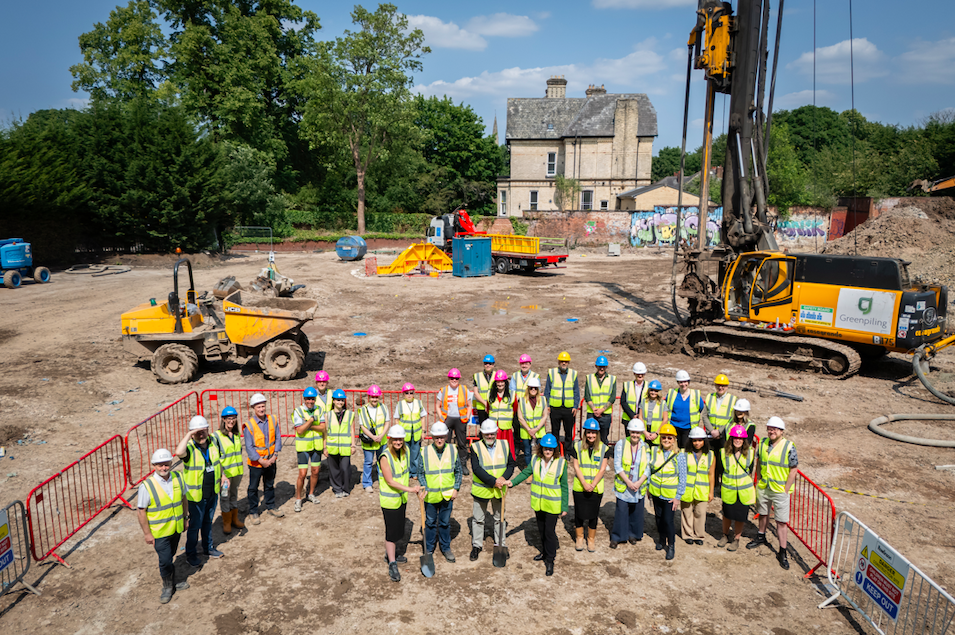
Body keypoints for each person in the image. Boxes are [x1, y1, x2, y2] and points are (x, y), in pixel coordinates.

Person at [506, 433, 568, 576]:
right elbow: (525, 473)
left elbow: (564, 486)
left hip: (552, 505)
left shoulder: (561, 463)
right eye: (546, 448)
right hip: (539, 503)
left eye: (551, 449)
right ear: (541, 449)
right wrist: (512, 483)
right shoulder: (535, 460)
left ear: (555, 450)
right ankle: (544, 553)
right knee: (541, 530)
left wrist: (564, 507)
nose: (548, 451)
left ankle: (550, 560)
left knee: (549, 532)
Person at [137, 448, 189, 604]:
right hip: (159, 532)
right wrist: (147, 534)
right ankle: (167, 586)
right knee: (165, 560)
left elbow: (184, 499)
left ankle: (172, 580)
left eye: (166, 464)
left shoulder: (178, 477)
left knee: (171, 554)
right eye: (160, 465)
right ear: (153, 465)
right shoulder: (147, 486)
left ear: (170, 463)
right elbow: (141, 512)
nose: (163, 468)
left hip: (176, 527)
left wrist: (186, 518)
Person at [747, 417, 798, 570]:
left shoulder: (789, 446)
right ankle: (761, 536)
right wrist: (757, 480)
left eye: (775, 429)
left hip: (780, 490)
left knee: (781, 522)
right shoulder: (762, 443)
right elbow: (759, 462)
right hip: (764, 486)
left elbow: (793, 469)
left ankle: (782, 551)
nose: (772, 431)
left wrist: (785, 488)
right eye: (770, 428)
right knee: (763, 513)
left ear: (781, 431)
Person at [175, 415, 224, 566]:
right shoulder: (189, 448)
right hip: (196, 497)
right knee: (195, 527)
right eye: (197, 432)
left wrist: (223, 476)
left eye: (203, 431)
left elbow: (218, 462)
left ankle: (208, 548)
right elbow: (178, 452)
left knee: (208, 522)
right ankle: (191, 554)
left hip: (212, 492)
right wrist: (189, 434)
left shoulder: (213, 442)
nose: (201, 434)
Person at [469, 420, 517, 562]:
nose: (490, 436)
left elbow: (511, 464)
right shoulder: (475, 447)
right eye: (487, 434)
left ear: (496, 432)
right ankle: (476, 545)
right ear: (482, 434)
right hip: (482, 489)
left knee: (499, 518)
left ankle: (500, 543)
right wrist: (493, 481)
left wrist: (503, 478)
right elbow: (476, 469)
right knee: (478, 519)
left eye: (492, 433)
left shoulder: (504, 444)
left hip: (499, 490)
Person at [379, 425, 420, 582]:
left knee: (398, 529)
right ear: (390, 439)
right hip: (389, 500)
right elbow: (390, 480)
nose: (398, 442)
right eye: (395, 439)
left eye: (400, 439)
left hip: (401, 498)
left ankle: (391, 555)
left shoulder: (406, 451)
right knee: (391, 532)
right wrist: (410, 489)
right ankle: (392, 562)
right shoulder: (385, 457)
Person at [417, 421, 462, 562]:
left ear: (446, 436)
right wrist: (424, 488)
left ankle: (446, 548)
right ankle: (429, 548)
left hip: (447, 495)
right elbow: (420, 473)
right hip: (430, 495)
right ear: (432, 438)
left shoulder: (453, 450)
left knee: (444, 523)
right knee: (430, 523)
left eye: (442, 437)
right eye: (437, 437)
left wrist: (456, 488)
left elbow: (458, 471)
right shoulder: (424, 452)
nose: (440, 440)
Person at [570, 418, 611, 552]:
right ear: (585, 433)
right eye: (588, 432)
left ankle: (591, 539)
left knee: (594, 514)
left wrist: (592, 485)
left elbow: (602, 469)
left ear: (597, 433)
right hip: (580, 486)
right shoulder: (577, 446)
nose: (591, 435)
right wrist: (584, 483)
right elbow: (576, 466)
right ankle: (580, 538)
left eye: (593, 433)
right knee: (579, 513)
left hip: (596, 487)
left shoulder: (604, 448)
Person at [647, 423, 687, 561]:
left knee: (668, 520)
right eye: (664, 437)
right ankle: (661, 539)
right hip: (656, 492)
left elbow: (683, 477)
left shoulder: (679, 456)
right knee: (658, 517)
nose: (666, 440)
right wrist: (648, 487)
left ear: (674, 439)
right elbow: (650, 471)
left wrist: (678, 497)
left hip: (670, 495)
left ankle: (671, 546)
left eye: (670, 438)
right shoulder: (655, 452)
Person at [245, 393, 284, 525]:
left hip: (271, 460)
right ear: (253, 408)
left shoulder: (272, 419)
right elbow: (249, 447)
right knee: (253, 488)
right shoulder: (249, 425)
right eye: (258, 407)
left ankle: (271, 506)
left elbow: (278, 437)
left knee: (269, 484)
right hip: (256, 463)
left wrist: (275, 456)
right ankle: (253, 511)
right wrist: (261, 460)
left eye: (263, 406)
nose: (261, 409)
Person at [611, 419, 649, 548]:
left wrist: (638, 482)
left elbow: (648, 467)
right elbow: (617, 465)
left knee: (636, 511)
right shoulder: (621, 444)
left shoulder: (645, 447)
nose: (635, 435)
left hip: (638, 485)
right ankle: (618, 536)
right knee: (621, 511)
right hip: (624, 484)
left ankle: (633, 534)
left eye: (638, 433)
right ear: (629, 431)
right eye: (633, 432)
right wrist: (628, 482)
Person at [718, 424, 756, 552]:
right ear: (731, 439)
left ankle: (736, 539)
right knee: (727, 515)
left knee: (740, 517)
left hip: (744, 491)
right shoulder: (723, 453)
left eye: (740, 438)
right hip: (729, 490)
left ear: (744, 440)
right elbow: (720, 470)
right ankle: (725, 536)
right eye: (735, 438)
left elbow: (750, 470)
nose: (738, 440)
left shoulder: (750, 453)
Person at [292, 387, 326, 512]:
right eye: (308, 399)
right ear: (304, 399)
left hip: (316, 446)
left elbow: (323, 428)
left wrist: (308, 424)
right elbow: (300, 430)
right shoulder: (298, 411)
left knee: (316, 471)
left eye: (312, 399)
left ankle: (311, 493)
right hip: (303, 448)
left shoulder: (319, 409)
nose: (310, 401)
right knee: (302, 474)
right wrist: (312, 421)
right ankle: (298, 498)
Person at [680, 427, 714, 546]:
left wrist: (711, 492)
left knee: (700, 513)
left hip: (702, 490)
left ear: (704, 441)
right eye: (694, 440)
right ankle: (688, 535)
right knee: (687, 512)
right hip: (687, 489)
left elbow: (711, 474)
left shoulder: (710, 455)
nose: (697, 443)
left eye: (700, 440)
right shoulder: (684, 453)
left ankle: (699, 535)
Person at [215, 407, 245, 534]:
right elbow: (215, 458)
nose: (231, 421)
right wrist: (222, 474)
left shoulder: (236, 435)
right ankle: (226, 522)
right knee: (224, 497)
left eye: (233, 418)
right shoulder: (216, 436)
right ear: (223, 419)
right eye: (228, 418)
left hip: (237, 472)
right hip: (225, 475)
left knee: (234, 495)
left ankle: (234, 519)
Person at [437, 369, 473, 476]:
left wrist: (467, 417)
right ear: (449, 379)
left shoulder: (464, 389)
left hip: (460, 419)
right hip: (447, 419)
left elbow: (469, 405)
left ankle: (462, 465)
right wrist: (441, 418)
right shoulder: (443, 390)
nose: (454, 380)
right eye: (452, 378)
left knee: (462, 443)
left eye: (456, 378)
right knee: (446, 443)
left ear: (459, 379)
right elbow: (438, 405)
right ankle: (446, 465)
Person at [545, 351, 579, 454]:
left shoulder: (573, 374)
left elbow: (576, 391)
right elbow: (547, 390)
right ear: (558, 362)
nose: (564, 363)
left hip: (569, 409)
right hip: (555, 408)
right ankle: (555, 451)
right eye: (562, 361)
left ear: (568, 363)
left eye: (566, 362)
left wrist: (575, 406)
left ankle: (568, 451)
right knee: (555, 431)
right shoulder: (552, 373)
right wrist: (547, 405)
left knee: (568, 432)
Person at [665, 370, 709, 449]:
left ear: (688, 382)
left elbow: (700, 407)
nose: (683, 384)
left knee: (685, 449)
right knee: (673, 449)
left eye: (685, 382)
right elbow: (667, 406)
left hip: (688, 427)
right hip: (673, 426)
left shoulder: (695, 395)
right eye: (681, 382)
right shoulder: (672, 393)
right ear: (678, 382)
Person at [325, 389, 355, 498]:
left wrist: (353, 445)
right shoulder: (328, 415)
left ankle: (345, 488)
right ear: (333, 401)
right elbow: (325, 432)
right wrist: (324, 447)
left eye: (342, 400)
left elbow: (351, 430)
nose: (340, 402)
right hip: (332, 447)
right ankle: (337, 489)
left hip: (345, 446)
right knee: (334, 470)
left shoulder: (349, 414)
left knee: (345, 468)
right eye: (338, 400)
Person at [359, 385, 389, 493]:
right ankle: (367, 483)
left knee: (382, 462)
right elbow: (362, 426)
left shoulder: (384, 407)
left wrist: (381, 435)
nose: (374, 399)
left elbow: (387, 422)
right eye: (372, 397)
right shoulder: (363, 410)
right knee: (368, 462)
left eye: (376, 397)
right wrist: (373, 437)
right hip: (369, 441)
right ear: (369, 397)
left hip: (382, 440)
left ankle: (383, 480)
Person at [510, 353, 539, 464]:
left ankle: (530, 444)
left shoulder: (535, 376)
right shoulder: (515, 376)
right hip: (518, 405)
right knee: (517, 425)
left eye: (526, 363)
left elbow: (537, 390)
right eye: (522, 363)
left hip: (530, 404)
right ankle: (518, 444)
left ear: (530, 364)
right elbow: (512, 391)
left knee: (530, 424)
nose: (524, 365)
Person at [395, 382, 426, 479]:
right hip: (404, 434)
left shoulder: (418, 403)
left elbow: (423, 417)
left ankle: (414, 472)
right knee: (405, 453)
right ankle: (406, 472)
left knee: (415, 453)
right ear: (403, 394)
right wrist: (398, 434)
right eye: (407, 393)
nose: (409, 395)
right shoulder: (400, 405)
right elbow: (397, 419)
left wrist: (423, 431)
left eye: (411, 393)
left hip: (416, 433)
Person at [516, 376, 548, 468]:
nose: (533, 389)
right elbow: (520, 417)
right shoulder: (522, 400)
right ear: (528, 388)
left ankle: (539, 468)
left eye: (535, 388)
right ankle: (529, 471)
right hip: (526, 431)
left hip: (539, 431)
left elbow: (544, 415)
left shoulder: (543, 400)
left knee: (541, 451)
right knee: (527, 452)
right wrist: (529, 430)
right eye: (531, 388)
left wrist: (536, 429)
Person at [585, 356, 617, 446]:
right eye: (599, 366)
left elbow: (612, 397)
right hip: (592, 413)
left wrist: (601, 410)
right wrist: (594, 409)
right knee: (590, 437)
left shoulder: (612, 379)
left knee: (603, 437)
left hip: (605, 414)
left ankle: (603, 456)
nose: (601, 368)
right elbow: (587, 396)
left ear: (606, 367)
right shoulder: (590, 378)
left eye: (603, 366)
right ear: (596, 366)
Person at [487, 370, 515, 459]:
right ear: (495, 383)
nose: (500, 384)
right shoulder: (490, 394)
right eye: (498, 382)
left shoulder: (512, 394)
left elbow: (515, 409)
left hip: (505, 428)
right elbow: (488, 409)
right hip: (494, 428)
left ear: (505, 382)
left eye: (502, 381)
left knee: (507, 448)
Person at [705, 374, 737, 450]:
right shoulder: (710, 396)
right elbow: (704, 415)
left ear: (727, 386)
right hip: (710, 434)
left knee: (722, 457)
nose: (720, 387)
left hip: (724, 435)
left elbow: (732, 419)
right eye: (718, 385)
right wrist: (712, 431)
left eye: (723, 386)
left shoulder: (733, 399)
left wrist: (719, 431)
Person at [620, 362, 650, 430]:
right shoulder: (627, 385)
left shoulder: (649, 386)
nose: (640, 375)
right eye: (638, 374)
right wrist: (633, 415)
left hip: (643, 419)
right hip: (628, 418)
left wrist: (640, 415)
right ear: (634, 373)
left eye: (642, 374)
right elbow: (623, 402)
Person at [640, 380, 668, 448]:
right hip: (645, 432)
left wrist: (656, 434)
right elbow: (640, 417)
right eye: (651, 390)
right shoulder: (643, 401)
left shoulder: (663, 403)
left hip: (657, 434)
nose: (653, 392)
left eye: (656, 391)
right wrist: (645, 432)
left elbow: (665, 420)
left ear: (659, 392)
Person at [472, 355, 496, 424]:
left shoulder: (497, 375)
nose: (487, 365)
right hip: (481, 407)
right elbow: (476, 393)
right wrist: (486, 404)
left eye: (490, 363)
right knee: (483, 428)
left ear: (493, 365)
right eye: (486, 363)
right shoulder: (477, 376)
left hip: (493, 407)